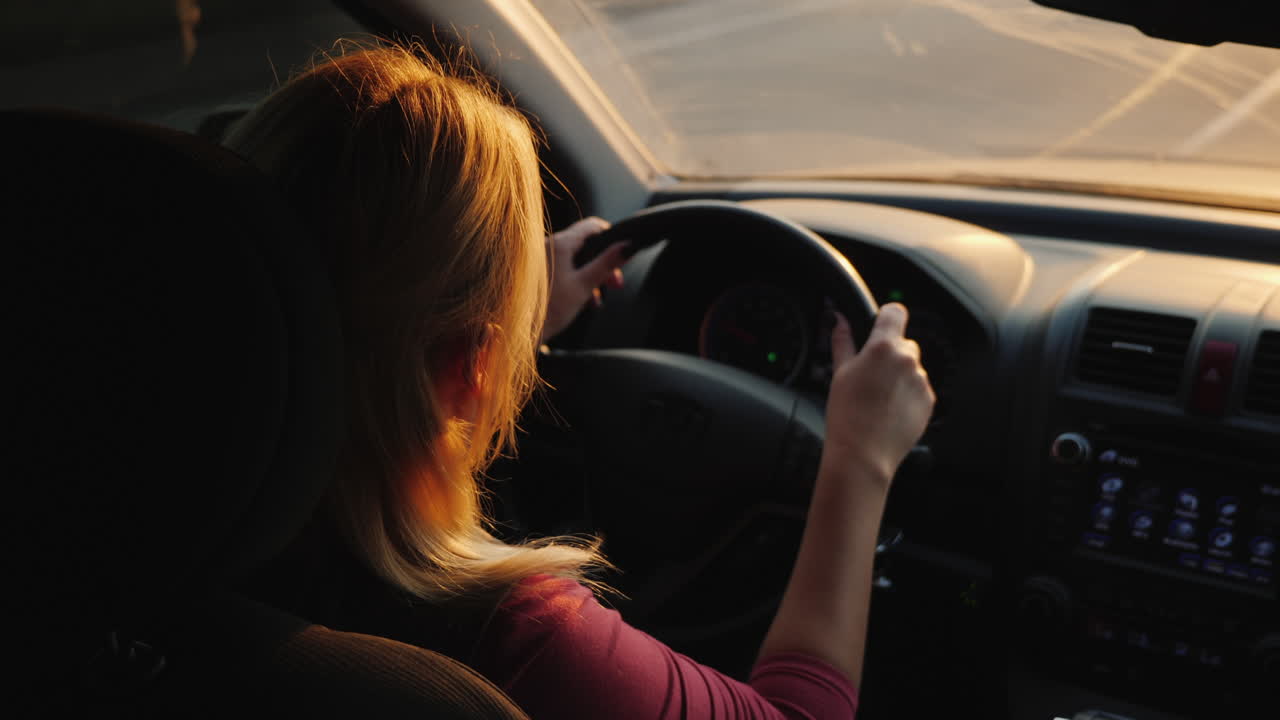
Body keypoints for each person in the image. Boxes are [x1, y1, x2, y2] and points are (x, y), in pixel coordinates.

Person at [225, 42, 935, 720]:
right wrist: (859, 459)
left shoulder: (149, 533)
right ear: (469, 367)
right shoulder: (512, 646)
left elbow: (336, 320)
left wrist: (518, 312)